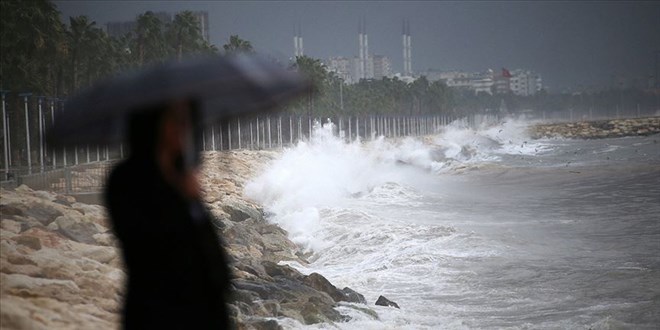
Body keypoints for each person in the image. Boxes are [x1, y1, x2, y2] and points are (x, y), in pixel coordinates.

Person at [105, 99, 233, 329]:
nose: (183, 129)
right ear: (153, 123)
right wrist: (182, 195)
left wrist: (193, 200)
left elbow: (210, 252)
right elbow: (144, 246)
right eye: (176, 120)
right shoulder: (126, 180)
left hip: (204, 311)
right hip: (157, 312)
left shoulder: (181, 173)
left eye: (186, 121)